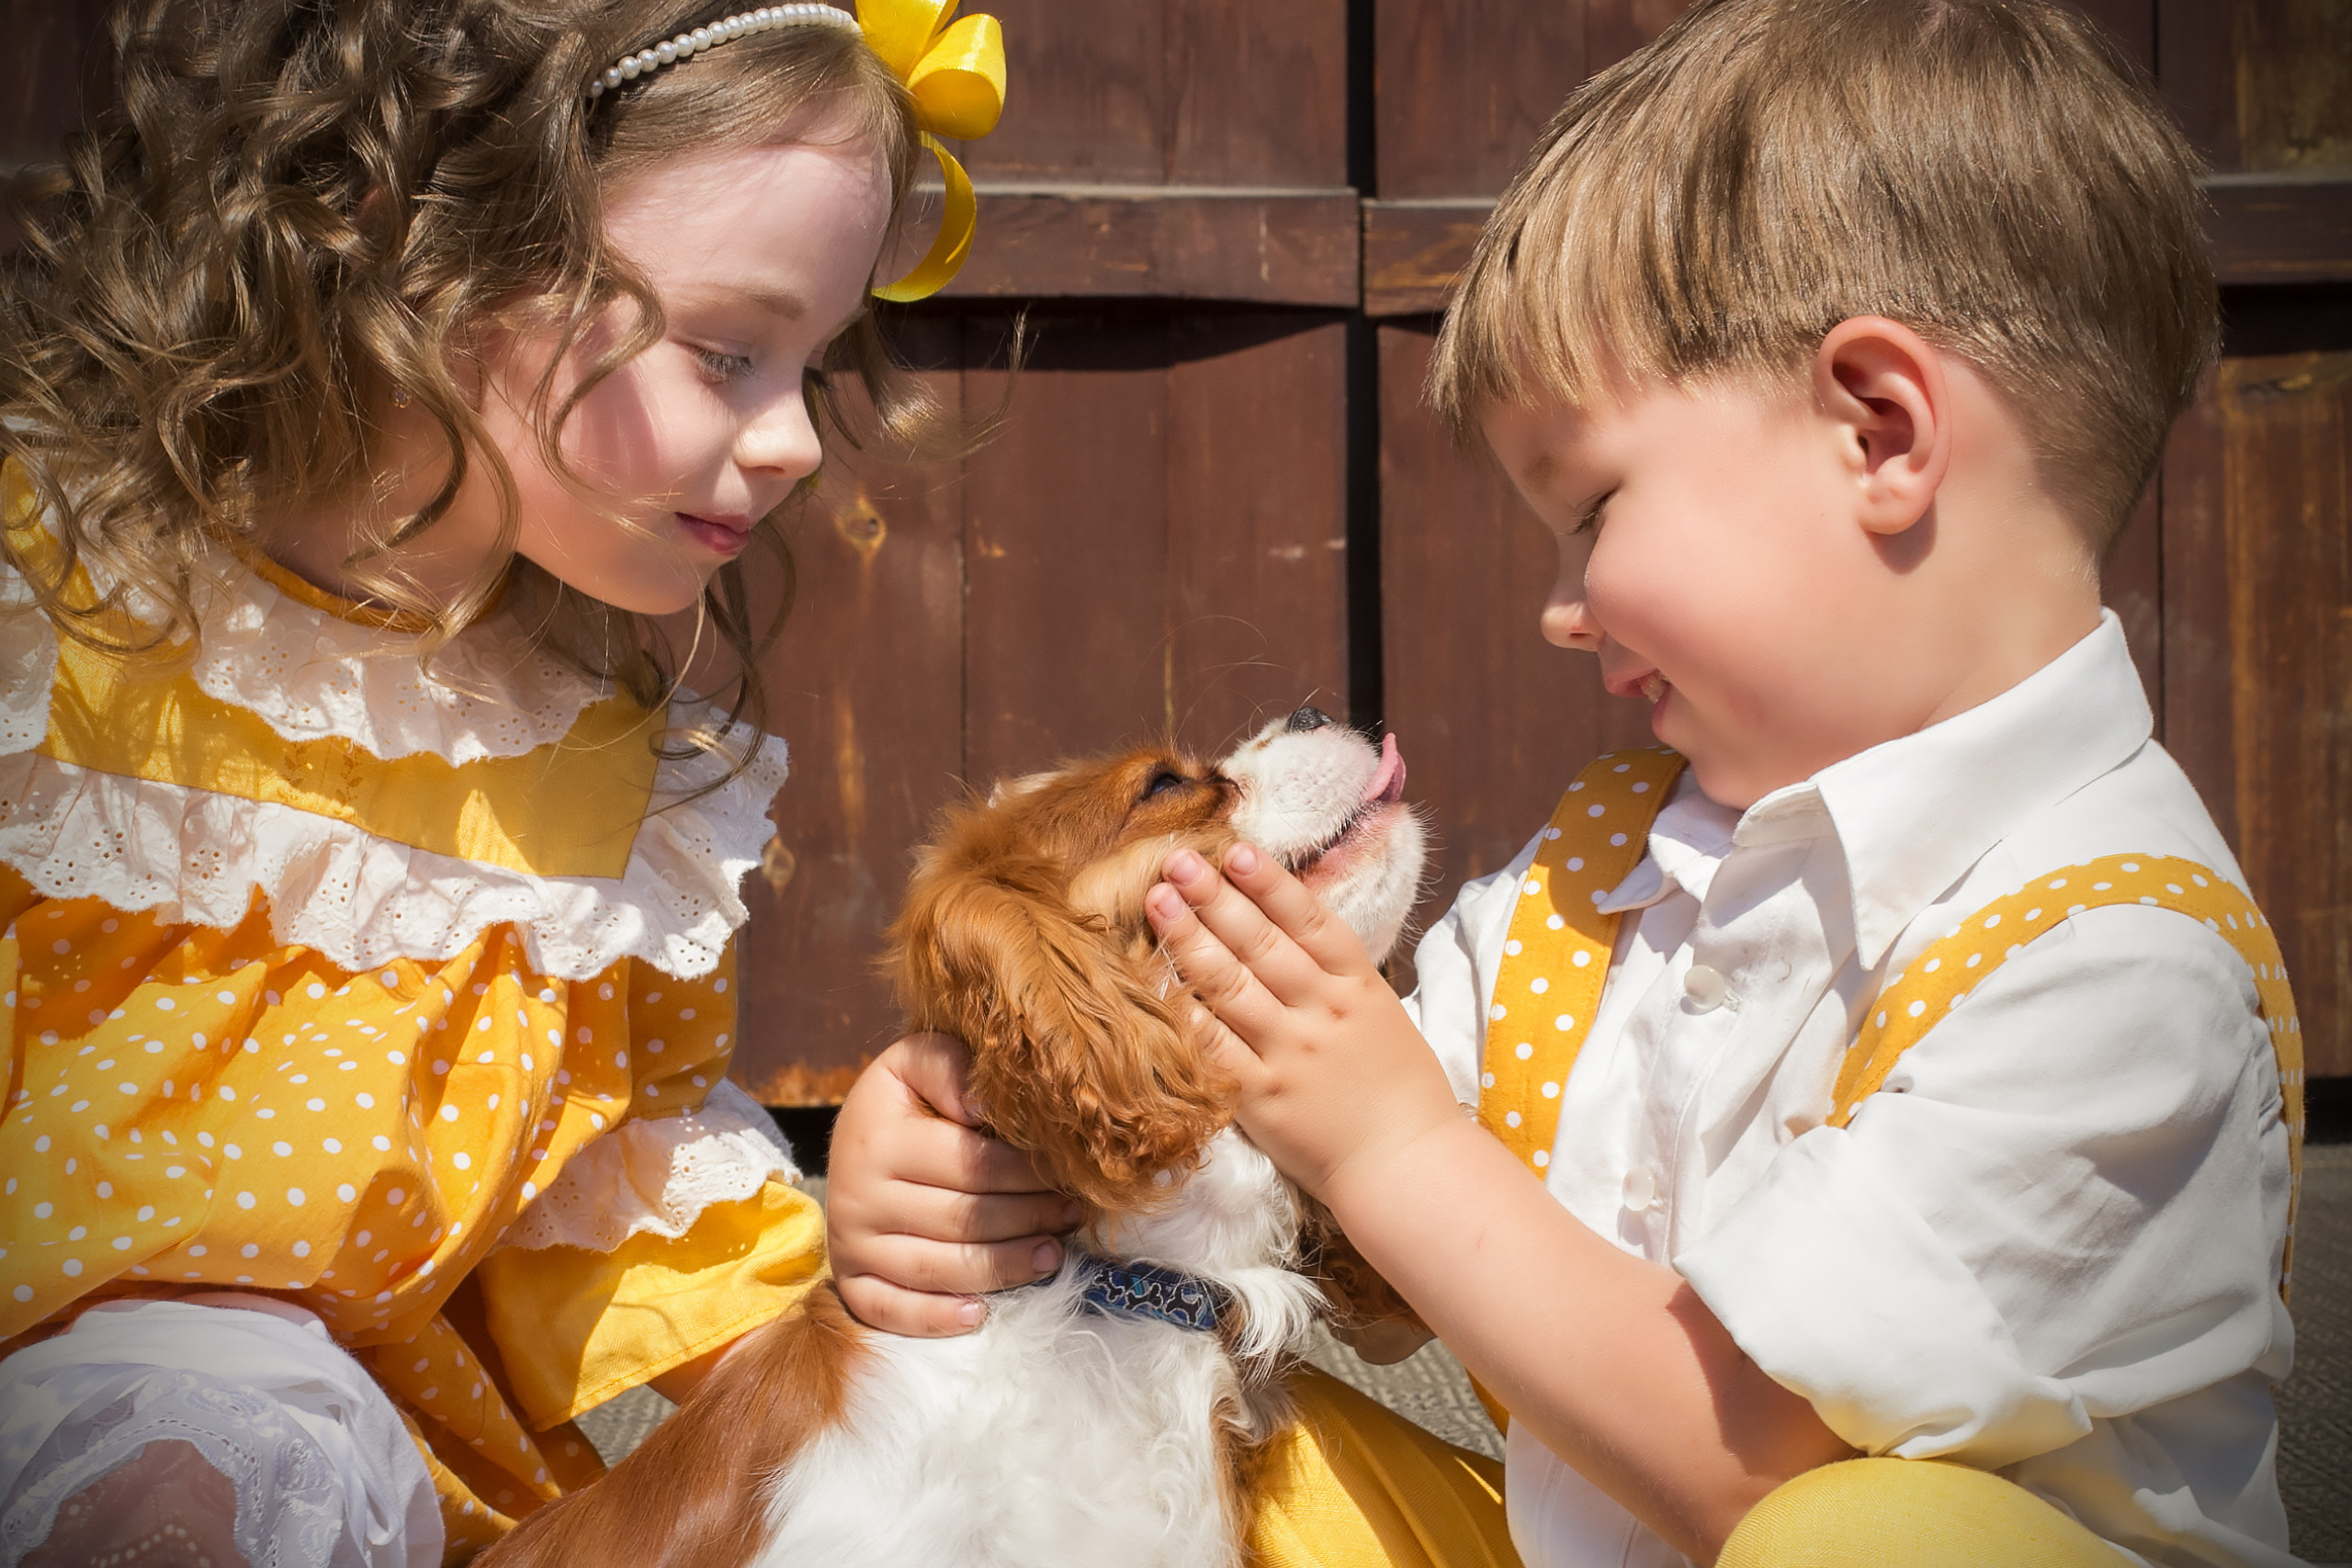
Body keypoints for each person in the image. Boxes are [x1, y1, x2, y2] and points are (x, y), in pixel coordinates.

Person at [831, 2, 2305, 1565]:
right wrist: (943, 1134)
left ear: (1880, 431)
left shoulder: (2111, 965)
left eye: (1593, 512)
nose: (1561, 601)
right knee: (1152, 1424)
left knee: (1873, 1536)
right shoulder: (1619, 862)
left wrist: (1390, 1144)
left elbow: (1754, 1473)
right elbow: (1340, 1229)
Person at [0, 2, 1005, 1562]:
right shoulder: (54, 618)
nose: (802, 438)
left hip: (359, 1467)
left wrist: (893, 1353)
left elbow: (601, 1175)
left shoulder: (586, 759)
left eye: (815, 360)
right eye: (730, 351)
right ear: (425, 249)